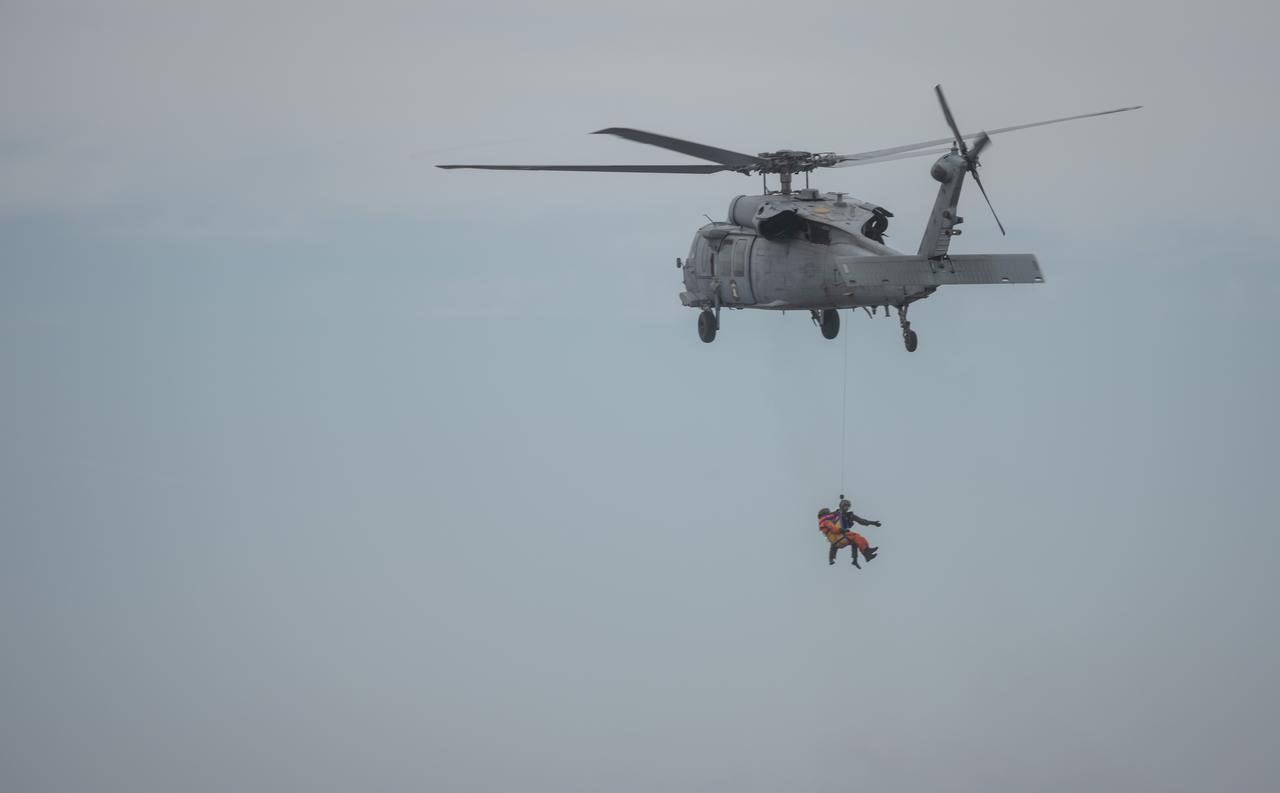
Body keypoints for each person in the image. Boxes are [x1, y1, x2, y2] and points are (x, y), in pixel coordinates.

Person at [837, 495, 881, 568]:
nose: (846, 508)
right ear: (841, 506)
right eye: (845, 506)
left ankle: (865, 556)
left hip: (845, 535)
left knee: (857, 541)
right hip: (838, 535)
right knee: (857, 538)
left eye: (848, 506)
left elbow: (862, 521)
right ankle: (866, 552)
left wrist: (873, 523)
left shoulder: (850, 515)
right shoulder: (836, 514)